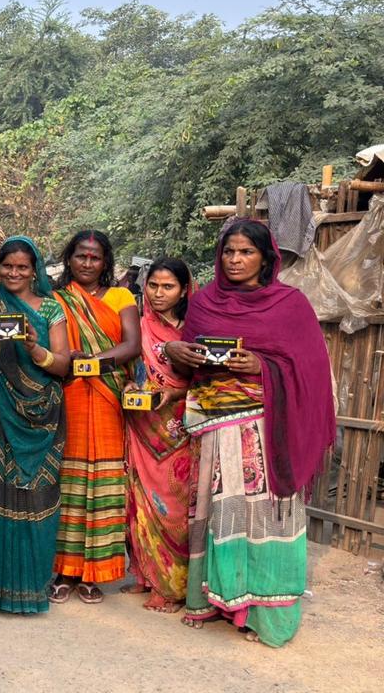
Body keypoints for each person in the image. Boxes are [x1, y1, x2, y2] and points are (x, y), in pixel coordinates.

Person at [165, 220, 335, 647]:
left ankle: (263, 610)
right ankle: (218, 599)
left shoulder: (289, 305)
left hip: (267, 429)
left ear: (266, 257)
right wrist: (177, 351)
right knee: (218, 513)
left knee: (265, 517)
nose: (235, 260)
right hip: (216, 430)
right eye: (228, 252)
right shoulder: (205, 302)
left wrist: (262, 366)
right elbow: (187, 365)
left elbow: (312, 369)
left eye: (245, 252)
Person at [0, 237, 71, 614]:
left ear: (33, 268)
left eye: (22, 267)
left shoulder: (52, 310)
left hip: (40, 412)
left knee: (35, 493)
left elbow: (62, 365)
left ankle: (29, 586)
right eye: (7, 266)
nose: (14, 273)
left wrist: (36, 346)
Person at [50, 230, 141, 605]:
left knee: (104, 483)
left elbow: (132, 345)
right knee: (67, 483)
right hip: (68, 395)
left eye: (95, 257)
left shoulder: (121, 296)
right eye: (81, 256)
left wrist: (90, 362)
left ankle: (96, 573)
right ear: (69, 258)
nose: (87, 263)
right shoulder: (56, 299)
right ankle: (65, 570)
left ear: (106, 262)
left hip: (107, 397)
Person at [122, 257, 195, 614]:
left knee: (174, 507)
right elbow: (130, 368)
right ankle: (146, 574)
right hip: (141, 423)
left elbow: (204, 381)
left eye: (168, 287)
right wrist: (133, 384)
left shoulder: (194, 329)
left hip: (179, 427)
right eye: (154, 285)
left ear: (184, 290)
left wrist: (175, 394)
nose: (159, 293)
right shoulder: (138, 325)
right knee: (140, 502)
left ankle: (173, 585)